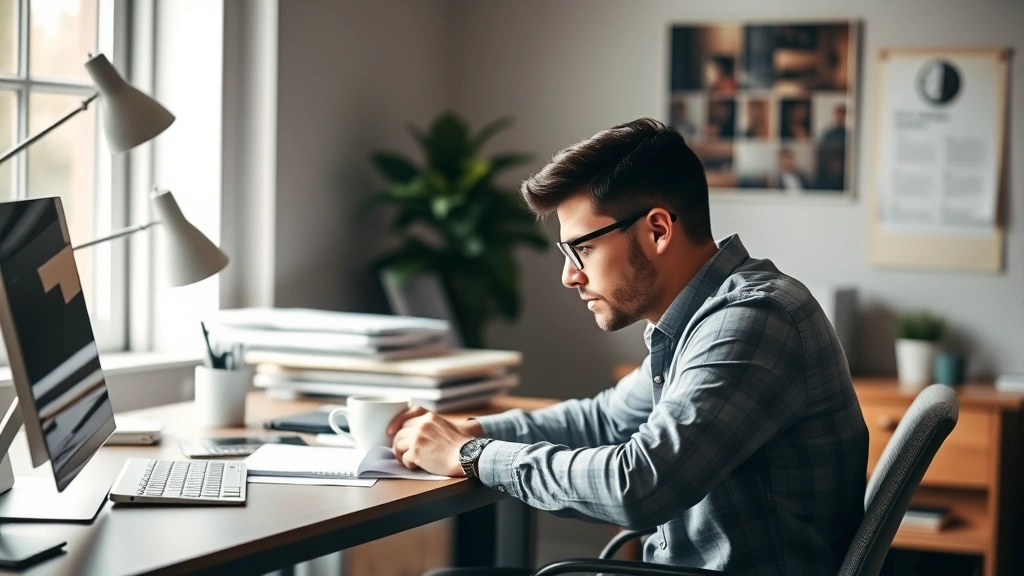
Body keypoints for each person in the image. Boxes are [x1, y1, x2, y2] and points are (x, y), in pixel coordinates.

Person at [388, 118, 868, 575]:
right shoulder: (696, 323)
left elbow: (639, 485)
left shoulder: (754, 319)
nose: (569, 275)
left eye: (584, 248)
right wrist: (470, 430)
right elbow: (605, 420)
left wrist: (473, 454)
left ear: (658, 230)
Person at [816, 104, 847, 190]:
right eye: (838, 114)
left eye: (842, 115)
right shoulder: (828, 133)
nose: (839, 117)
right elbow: (822, 150)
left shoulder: (847, 133)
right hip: (827, 168)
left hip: (842, 169)